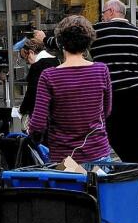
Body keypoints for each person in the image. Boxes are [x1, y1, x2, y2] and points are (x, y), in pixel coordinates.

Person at [34, 0, 138, 197]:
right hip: (137, 92)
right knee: (136, 140)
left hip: (114, 91)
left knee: (115, 137)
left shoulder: (98, 31)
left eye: (103, 13)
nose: (101, 16)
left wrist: (44, 39)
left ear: (110, 12)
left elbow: (70, 38)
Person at [27, 16, 113, 163]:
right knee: (98, 186)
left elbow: (38, 123)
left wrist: (33, 137)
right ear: (88, 42)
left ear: (60, 43)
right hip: (99, 154)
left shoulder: (49, 76)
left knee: (68, 187)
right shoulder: (101, 70)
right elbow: (106, 110)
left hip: (64, 160)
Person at [18, 39, 58, 119]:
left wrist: (22, 109)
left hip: (41, 112)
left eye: (26, 58)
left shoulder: (37, 66)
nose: (27, 62)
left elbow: (32, 92)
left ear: (31, 52)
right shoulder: (57, 61)